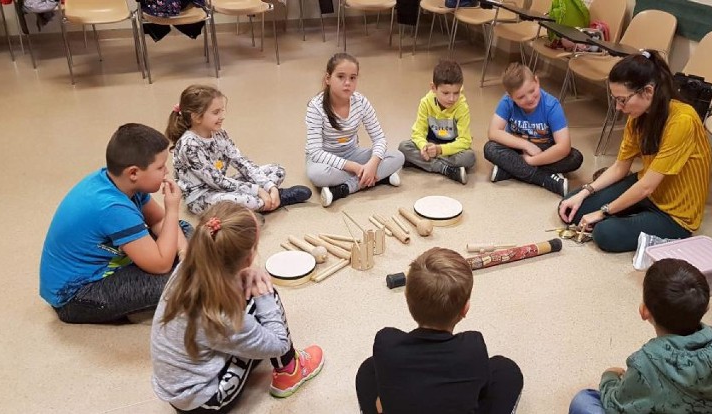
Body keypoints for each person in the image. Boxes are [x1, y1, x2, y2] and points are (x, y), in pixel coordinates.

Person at [151, 202, 324, 413]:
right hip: (204, 401)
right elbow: (279, 344)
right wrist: (266, 296)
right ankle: (290, 371)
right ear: (249, 258)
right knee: (263, 295)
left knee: (250, 301)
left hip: (177, 387)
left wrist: (239, 276)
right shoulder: (224, 315)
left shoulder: (187, 267)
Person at [558, 50, 712, 253]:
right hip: (648, 190)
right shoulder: (638, 116)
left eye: (622, 99)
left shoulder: (683, 120)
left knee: (604, 234)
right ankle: (629, 214)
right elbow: (620, 167)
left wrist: (603, 211)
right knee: (572, 206)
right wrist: (586, 191)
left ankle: (632, 217)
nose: (618, 107)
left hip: (676, 214)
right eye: (616, 99)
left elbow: (647, 186)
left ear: (648, 92)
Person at [39, 123, 190, 324]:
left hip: (109, 264)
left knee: (185, 230)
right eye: (160, 167)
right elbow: (161, 265)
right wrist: (172, 209)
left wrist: (186, 253)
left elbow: (158, 219)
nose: (166, 172)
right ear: (134, 173)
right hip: (76, 298)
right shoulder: (112, 208)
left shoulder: (120, 181)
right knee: (174, 279)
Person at [355, 247, 523, 414]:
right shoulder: (473, 347)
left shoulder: (387, 343)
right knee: (506, 370)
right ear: (465, 309)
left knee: (369, 369)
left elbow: (382, 400)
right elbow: (480, 393)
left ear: (406, 297)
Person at [569, 258, 712, 413]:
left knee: (583, 401)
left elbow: (616, 406)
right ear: (707, 308)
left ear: (644, 311)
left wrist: (609, 377)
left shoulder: (645, 362)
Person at [167, 84, 311, 216]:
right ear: (196, 117)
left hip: (224, 185)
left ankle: (270, 198)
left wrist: (269, 186)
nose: (222, 117)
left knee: (277, 170)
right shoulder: (189, 146)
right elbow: (216, 181)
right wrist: (258, 190)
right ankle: (268, 202)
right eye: (216, 112)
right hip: (201, 197)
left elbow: (240, 161)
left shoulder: (219, 133)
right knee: (241, 200)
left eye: (222, 111)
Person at [305, 53, 405, 207]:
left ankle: (345, 188)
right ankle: (379, 178)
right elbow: (316, 152)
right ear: (328, 79)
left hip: (351, 153)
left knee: (398, 157)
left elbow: (379, 138)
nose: (347, 83)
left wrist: (372, 164)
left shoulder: (361, 102)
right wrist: (356, 168)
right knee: (317, 175)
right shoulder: (316, 106)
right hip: (324, 159)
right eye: (341, 77)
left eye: (353, 78)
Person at [484, 62, 583, 196]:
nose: (530, 99)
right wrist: (526, 144)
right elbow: (493, 132)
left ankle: (510, 170)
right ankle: (544, 179)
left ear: (537, 81)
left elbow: (563, 146)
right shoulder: (506, 102)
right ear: (510, 95)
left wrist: (532, 161)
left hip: (544, 150)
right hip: (517, 148)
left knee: (575, 158)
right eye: (521, 97)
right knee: (490, 148)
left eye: (532, 91)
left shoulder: (551, 105)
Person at [398, 59, 476, 185]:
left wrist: (439, 150)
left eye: (456, 93)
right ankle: (445, 169)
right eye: (445, 93)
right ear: (433, 88)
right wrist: (424, 147)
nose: (451, 98)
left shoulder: (462, 107)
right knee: (403, 147)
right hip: (431, 144)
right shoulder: (425, 102)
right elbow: (418, 133)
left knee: (469, 157)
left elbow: (465, 141)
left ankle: (421, 162)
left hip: (451, 148)